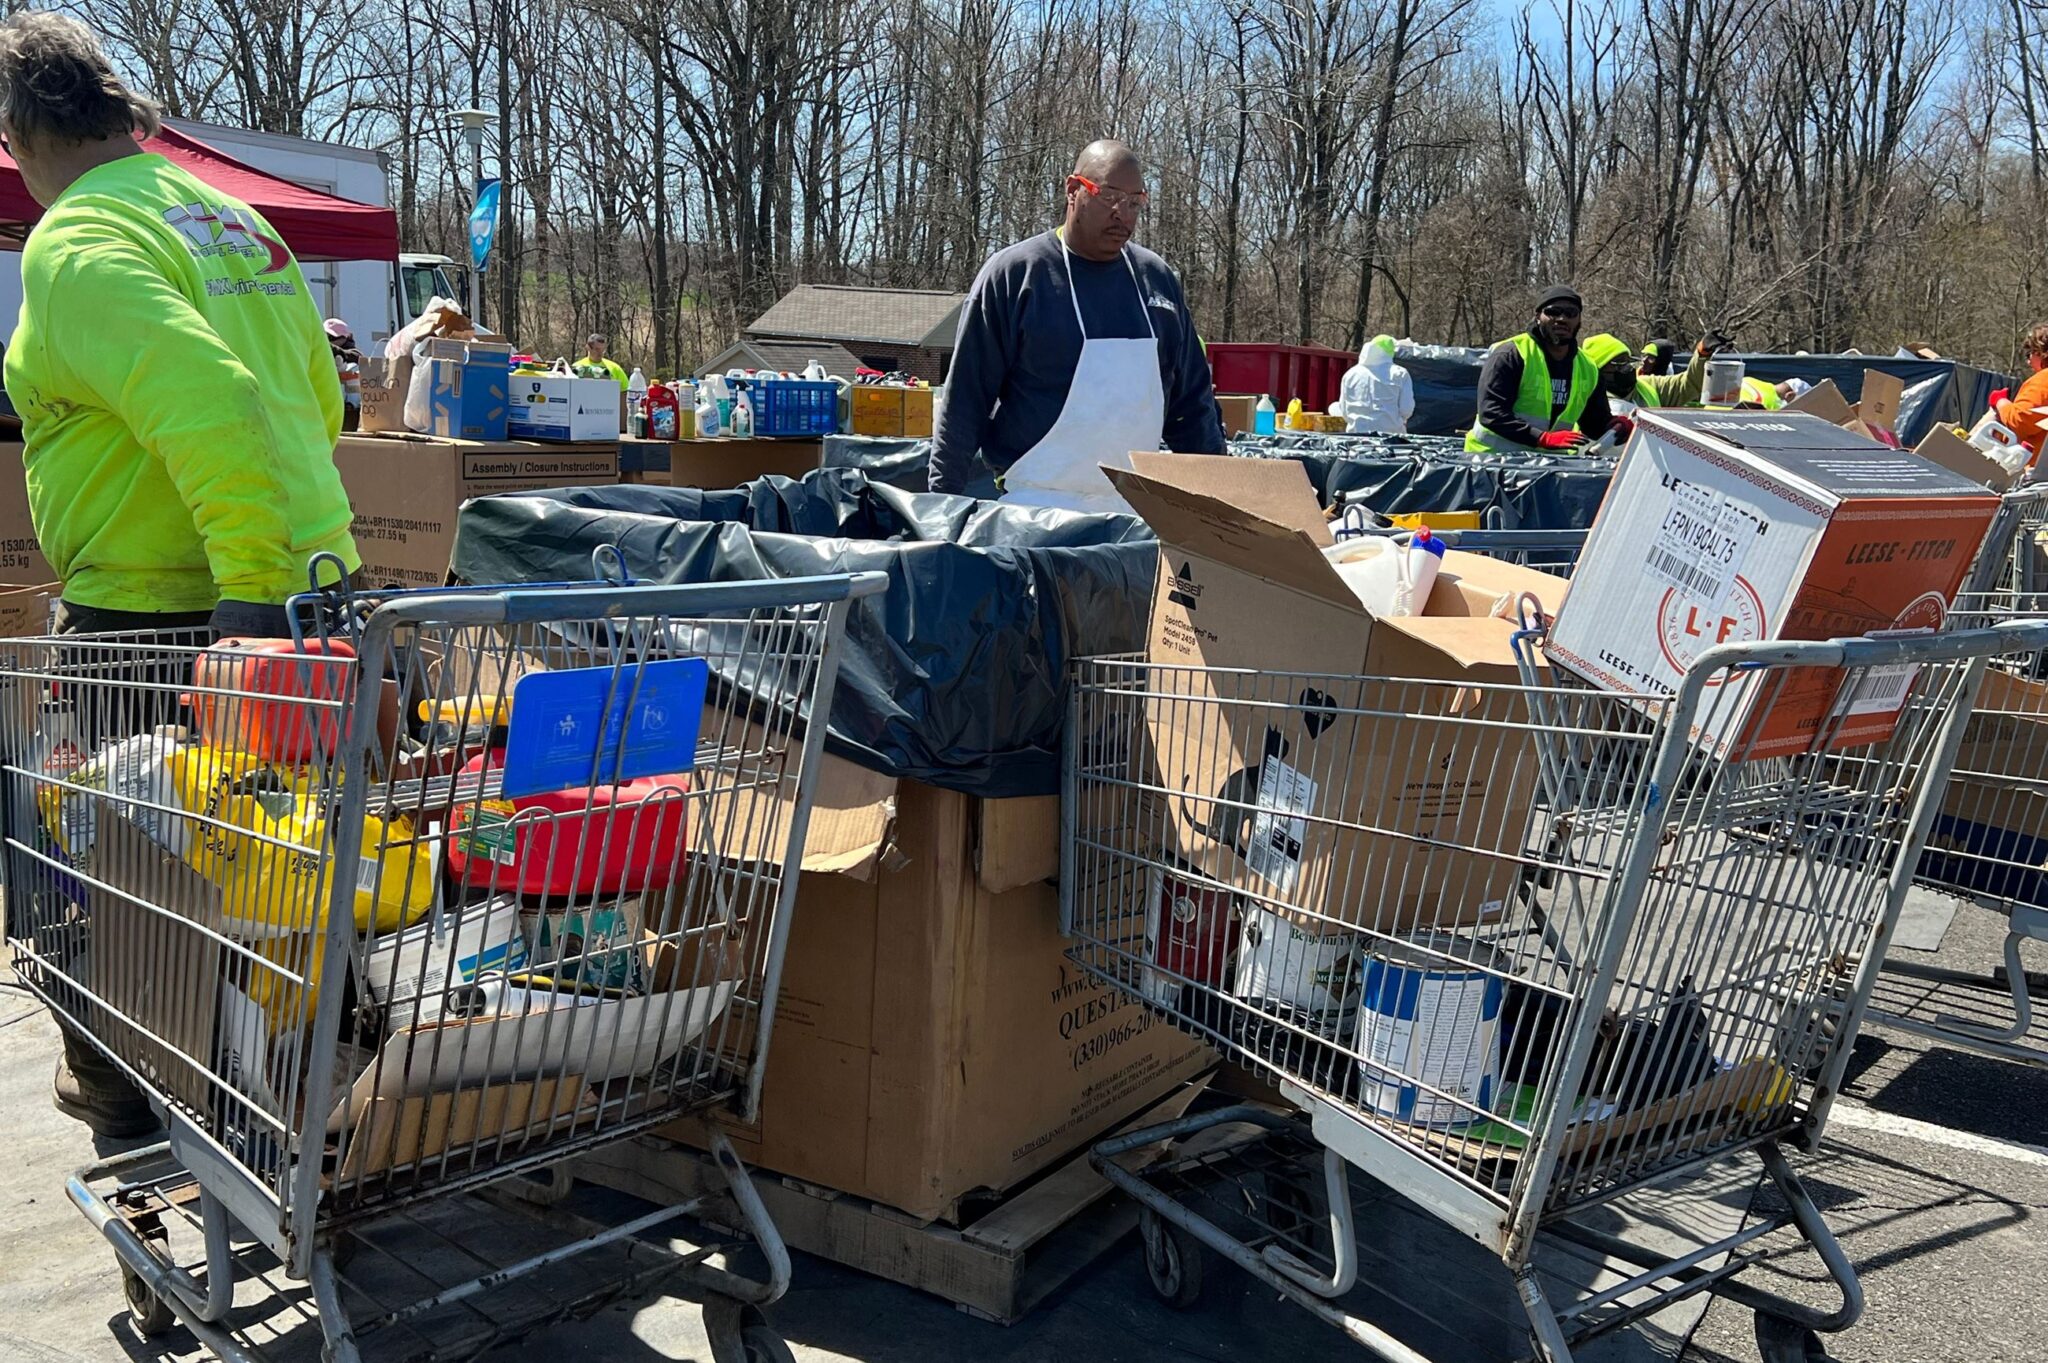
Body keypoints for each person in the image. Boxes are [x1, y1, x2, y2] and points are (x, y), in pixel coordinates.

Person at [0, 10, 360, 1136]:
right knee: (291, 868)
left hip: (172, 617)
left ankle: (131, 1091)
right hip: (317, 598)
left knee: (84, 876)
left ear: (15, 133)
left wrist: (241, 599)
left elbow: (212, 398)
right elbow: (323, 400)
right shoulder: (233, 221)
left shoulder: (75, 245)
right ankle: (310, 1100)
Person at [929, 139, 1223, 511]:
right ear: (1073, 190)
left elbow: (1193, 405)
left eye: (1135, 202)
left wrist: (1218, 507)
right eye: (1111, 197)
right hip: (1032, 513)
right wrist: (941, 510)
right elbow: (964, 404)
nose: (1124, 215)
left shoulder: (1157, 280)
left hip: (1133, 517)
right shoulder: (1017, 275)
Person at [1465, 285, 1621, 454]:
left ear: (1579, 320)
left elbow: (1593, 425)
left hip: (1549, 468)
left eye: (1571, 313)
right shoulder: (1511, 354)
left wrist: (1614, 427)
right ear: (1538, 316)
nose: (1562, 319)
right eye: (1553, 312)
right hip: (1492, 464)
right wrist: (1542, 438)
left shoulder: (1589, 369)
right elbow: (1491, 413)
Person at [1583, 331, 1725, 412]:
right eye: (1618, 363)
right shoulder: (1586, 399)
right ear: (1598, 371)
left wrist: (1702, 354)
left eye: (1628, 360)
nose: (1627, 367)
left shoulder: (1648, 386)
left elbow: (1689, 383)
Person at [1332, 334, 1414, 434]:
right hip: (1391, 439)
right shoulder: (1399, 373)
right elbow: (1406, 409)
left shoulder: (1350, 374)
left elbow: (1345, 411)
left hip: (1356, 438)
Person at [1995, 323, 2048, 455]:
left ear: (2041, 352)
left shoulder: (2044, 379)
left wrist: (2000, 402)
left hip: (2038, 470)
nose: (2028, 361)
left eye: (2030, 353)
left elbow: (2020, 420)